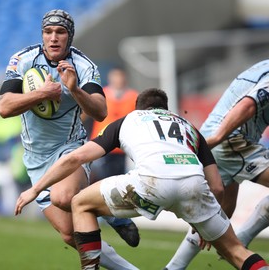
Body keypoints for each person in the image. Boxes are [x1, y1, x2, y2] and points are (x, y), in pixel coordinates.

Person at [15, 88, 269, 270]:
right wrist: (203, 221)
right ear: (166, 110)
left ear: (139, 108)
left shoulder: (130, 119)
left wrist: (35, 189)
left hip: (151, 183)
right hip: (194, 186)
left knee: (81, 202)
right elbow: (216, 185)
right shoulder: (188, 127)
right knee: (237, 252)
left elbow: (75, 158)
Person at [0, 9, 139, 269]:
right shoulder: (22, 59)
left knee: (63, 198)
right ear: (42, 35)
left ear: (69, 36)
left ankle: (111, 212)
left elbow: (100, 110)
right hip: (34, 158)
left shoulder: (84, 66)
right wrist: (41, 94)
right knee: (69, 233)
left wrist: (73, 89)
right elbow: (4, 107)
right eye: (48, 32)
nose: (53, 38)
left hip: (69, 149)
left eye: (60, 32)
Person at [164, 59, 269, 270]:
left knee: (219, 215)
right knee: (221, 224)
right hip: (231, 140)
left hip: (222, 139)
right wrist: (217, 138)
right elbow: (248, 104)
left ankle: (173, 268)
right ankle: (241, 240)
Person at [88, 67, 138, 182]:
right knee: (101, 176)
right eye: (115, 76)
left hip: (124, 145)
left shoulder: (133, 96)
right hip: (101, 142)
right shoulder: (101, 95)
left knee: (123, 178)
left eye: (120, 76)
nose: (118, 80)